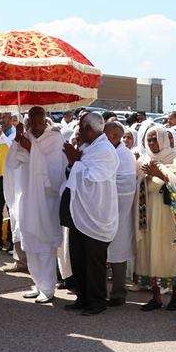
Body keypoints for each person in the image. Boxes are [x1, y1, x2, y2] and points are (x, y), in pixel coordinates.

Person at [6, 106, 67, 304]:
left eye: (40, 121)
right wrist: (17, 142)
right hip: (27, 197)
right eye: (32, 121)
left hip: (46, 200)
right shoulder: (25, 136)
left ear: (46, 120)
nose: (36, 125)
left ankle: (48, 288)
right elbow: (11, 164)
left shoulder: (54, 139)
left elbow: (54, 170)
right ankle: (38, 283)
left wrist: (31, 148)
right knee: (29, 242)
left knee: (44, 244)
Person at [60, 112, 118, 315]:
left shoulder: (105, 150)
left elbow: (93, 177)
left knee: (94, 261)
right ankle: (82, 297)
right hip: (79, 213)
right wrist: (74, 160)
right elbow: (73, 174)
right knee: (78, 257)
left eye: (80, 127)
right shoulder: (86, 147)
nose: (77, 131)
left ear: (89, 130)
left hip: (97, 215)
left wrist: (75, 161)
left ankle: (96, 301)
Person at [135, 125, 176, 311]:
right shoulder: (144, 161)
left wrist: (162, 176)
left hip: (169, 218)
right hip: (149, 217)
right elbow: (138, 185)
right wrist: (145, 178)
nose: (152, 142)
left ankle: (174, 295)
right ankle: (156, 297)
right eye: (149, 139)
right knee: (152, 253)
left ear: (164, 139)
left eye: (155, 138)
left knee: (171, 253)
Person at [104, 120, 137, 307]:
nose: (108, 137)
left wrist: (105, 185)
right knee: (99, 253)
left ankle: (118, 293)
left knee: (117, 254)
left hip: (120, 212)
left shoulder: (125, 156)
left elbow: (126, 185)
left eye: (113, 134)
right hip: (101, 211)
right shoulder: (102, 151)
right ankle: (99, 291)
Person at [0, 112, 16, 253]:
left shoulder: (14, 133)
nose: (1, 120)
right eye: (0, 118)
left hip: (11, 176)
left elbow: (12, 145)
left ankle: (12, 242)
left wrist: (1, 136)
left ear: (11, 119)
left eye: (4, 117)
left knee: (12, 208)